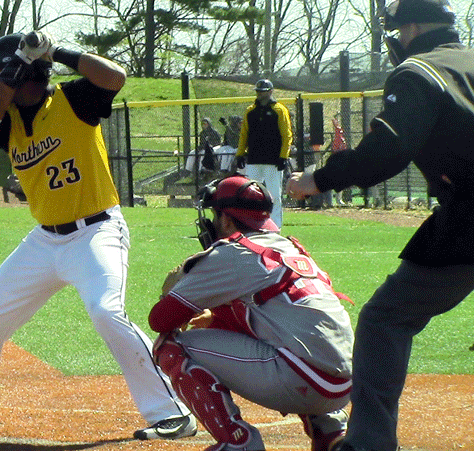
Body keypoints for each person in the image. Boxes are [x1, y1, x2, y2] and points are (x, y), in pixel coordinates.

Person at [0, 31, 196, 440]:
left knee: (106, 311)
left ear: (28, 74)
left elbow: (115, 77)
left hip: (97, 233)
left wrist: (56, 53)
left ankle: (172, 411)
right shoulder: (7, 119)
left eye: (3, 72)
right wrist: (16, 68)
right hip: (43, 241)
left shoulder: (72, 100)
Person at [285, 1, 474, 450]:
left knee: (386, 319)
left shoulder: (419, 70)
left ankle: (370, 444)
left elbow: (388, 149)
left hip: (469, 217)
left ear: (411, 26)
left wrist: (318, 179)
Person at [148, 175, 353, 451]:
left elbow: (160, 320)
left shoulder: (234, 252)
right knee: (299, 340)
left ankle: (239, 443)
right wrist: (220, 319)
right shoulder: (288, 247)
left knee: (170, 346)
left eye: (215, 214)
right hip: (343, 386)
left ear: (228, 221)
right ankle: (331, 435)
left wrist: (178, 282)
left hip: (303, 379)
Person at [234, 79, 293, 228]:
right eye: (259, 91)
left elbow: (287, 135)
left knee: (274, 196)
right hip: (254, 159)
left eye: (264, 91)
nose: (260, 94)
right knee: (250, 195)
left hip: (273, 160)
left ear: (271, 91)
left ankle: (275, 227)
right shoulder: (250, 110)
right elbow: (244, 134)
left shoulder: (279, 110)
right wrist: (240, 154)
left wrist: (283, 156)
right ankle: (250, 226)